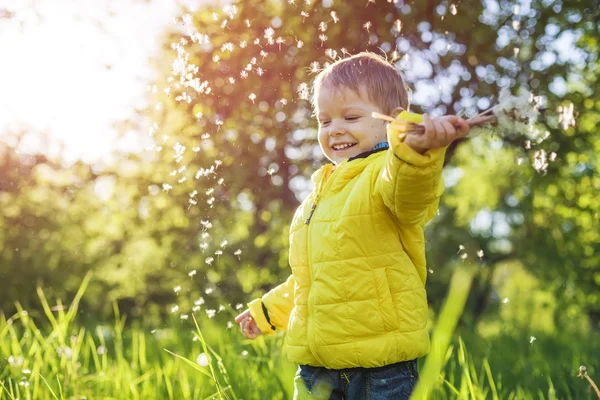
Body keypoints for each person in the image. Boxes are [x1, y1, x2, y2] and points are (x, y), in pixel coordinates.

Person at [234, 51, 470, 399]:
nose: (335, 129)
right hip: (316, 367)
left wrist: (416, 155)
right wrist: (268, 312)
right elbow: (311, 279)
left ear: (393, 121)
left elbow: (411, 195)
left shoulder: (387, 173)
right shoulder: (317, 195)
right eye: (324, 121)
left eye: (351, 116)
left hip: (380, 367)